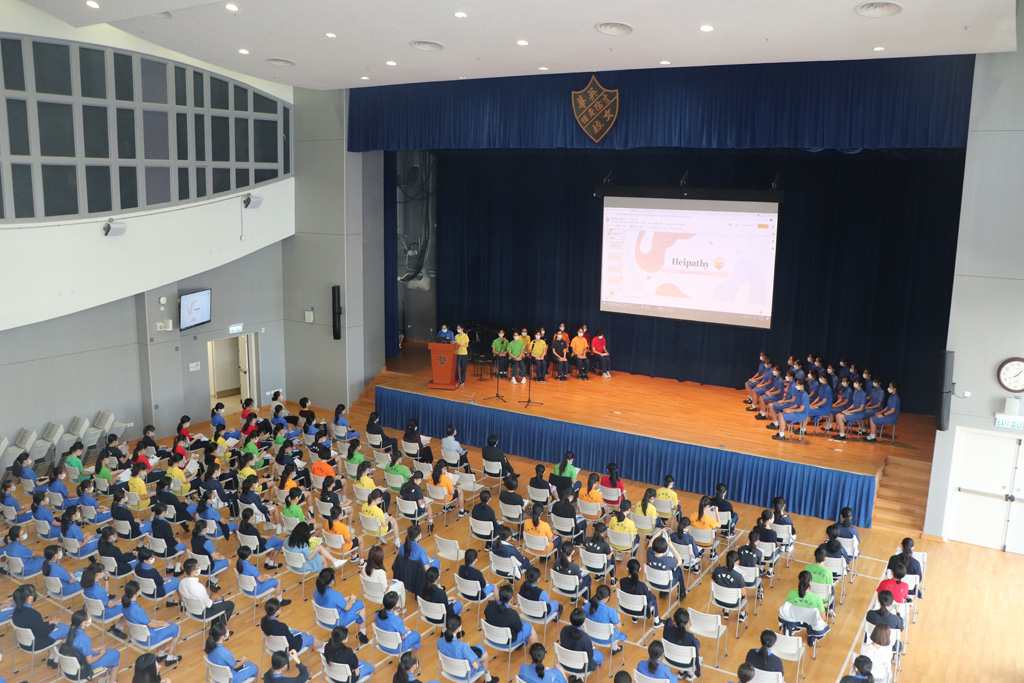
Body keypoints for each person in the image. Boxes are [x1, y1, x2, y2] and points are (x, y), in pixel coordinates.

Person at [122, 581, 183, 664]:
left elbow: (144, 620)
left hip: (137, 636)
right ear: (138, 592)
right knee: (177, 628)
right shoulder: (138, 609)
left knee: (163, 625)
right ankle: (170, 657)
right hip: (148, 638)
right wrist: (162, 623)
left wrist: (160, 622)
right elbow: (150, 624)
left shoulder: (125, 607)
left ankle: (161, 653)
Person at [60, 609, 122, 682]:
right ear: (84, 623)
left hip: (74, 666)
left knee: (109, 654)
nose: (90, 619)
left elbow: (78, 650)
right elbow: (90, 661)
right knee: (116, 654)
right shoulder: (84, 639)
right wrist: (101, 654)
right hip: (86, 667)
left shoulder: (69, 634)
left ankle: (102, 680)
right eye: (89, 617)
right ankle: (112, 681)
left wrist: (94, 650)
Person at [778, 570, 830, 645]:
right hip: (810, 623)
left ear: (799, 581)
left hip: (794, 620)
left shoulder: (791, 593)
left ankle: (792, 628)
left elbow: (786, 609)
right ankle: (812, 637)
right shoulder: (817, 598)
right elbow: (823, 618)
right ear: (810, 582)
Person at [179, 558, 236, 624]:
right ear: (193, 571)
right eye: (198, 567)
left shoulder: (182, 582)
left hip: (191, 609)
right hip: (203, 612)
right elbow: (209, 604)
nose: (199, 568)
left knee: (218, 601)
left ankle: (215, 625)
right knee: (230, 604)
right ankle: (220, 627)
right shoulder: (199, 587)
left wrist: (211, 596)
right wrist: (214, 596)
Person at [483, 584, 537, 650]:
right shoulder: (512, 614)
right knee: (529, 626)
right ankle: (536, 650)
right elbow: (519, 629)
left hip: (491, 638)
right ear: (511, 599)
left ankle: (525, 643)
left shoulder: (490, 605)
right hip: (507, 643)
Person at [620, 558, 662, 627]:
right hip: (640, 610)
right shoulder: (642, 586)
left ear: (627, 569)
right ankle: (656, 621)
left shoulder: (622, 581)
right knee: (653, 598)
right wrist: (648, 591)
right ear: (640, 569)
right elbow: (648, 598)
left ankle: (635, 618)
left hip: (626, 608)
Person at [586, 585, 627, 654]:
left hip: (591, 635)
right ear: (607, 598)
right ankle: (615, 648)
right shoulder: (611, 611)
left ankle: (592, 646)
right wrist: (618, 617)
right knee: (616, 625)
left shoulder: (587, 606)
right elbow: (619, 627)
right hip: (607, 639)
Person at [647, 529, 686, 600]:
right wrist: (671, 546)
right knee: (678, 569)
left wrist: (660, 531)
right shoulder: (668, 560)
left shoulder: (649, 554)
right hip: (666, 585)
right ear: (665, 549)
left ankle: (663, 592)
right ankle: (682, 592)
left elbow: (651, 541)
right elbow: (680, 561)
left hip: (652, 582)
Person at [560, 607, 603, 671]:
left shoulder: (564, 629)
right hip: (580, 667)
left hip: (564, 662)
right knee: (599, 654)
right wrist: (590, 646)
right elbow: (589, 657)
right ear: (583, 621)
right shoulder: (585, 638)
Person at [662, 609, 701, 679]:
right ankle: (690, 673)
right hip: (687, 664)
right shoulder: (690, 637)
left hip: (669, 659)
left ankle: (682, 671)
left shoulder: (667, 629)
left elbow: (668, 621)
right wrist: (698, 670)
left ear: (674, 620)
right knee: (696, 643)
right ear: (686, 623)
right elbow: (696, 653)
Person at [711, 550, 747, 622]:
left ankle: (726, 611)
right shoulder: (739, 576)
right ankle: (742, 614)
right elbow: (743, 594)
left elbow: (715, 582)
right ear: (737, 562)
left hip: (718, 599)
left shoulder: (717, 570)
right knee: (745, 596)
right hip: (733, 603)